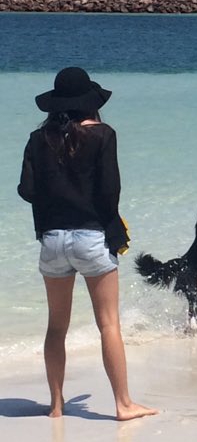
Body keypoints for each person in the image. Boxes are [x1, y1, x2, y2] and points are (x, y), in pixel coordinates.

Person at [18, 66, 157, 420]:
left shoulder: (38, 139)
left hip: (52, 240)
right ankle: (123, 404)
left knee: (56, 326)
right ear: (89, 103)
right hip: (91, 237)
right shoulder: (104, 135)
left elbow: (27, 191)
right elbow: (110, 192)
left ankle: (56, 405)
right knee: (108, 324)